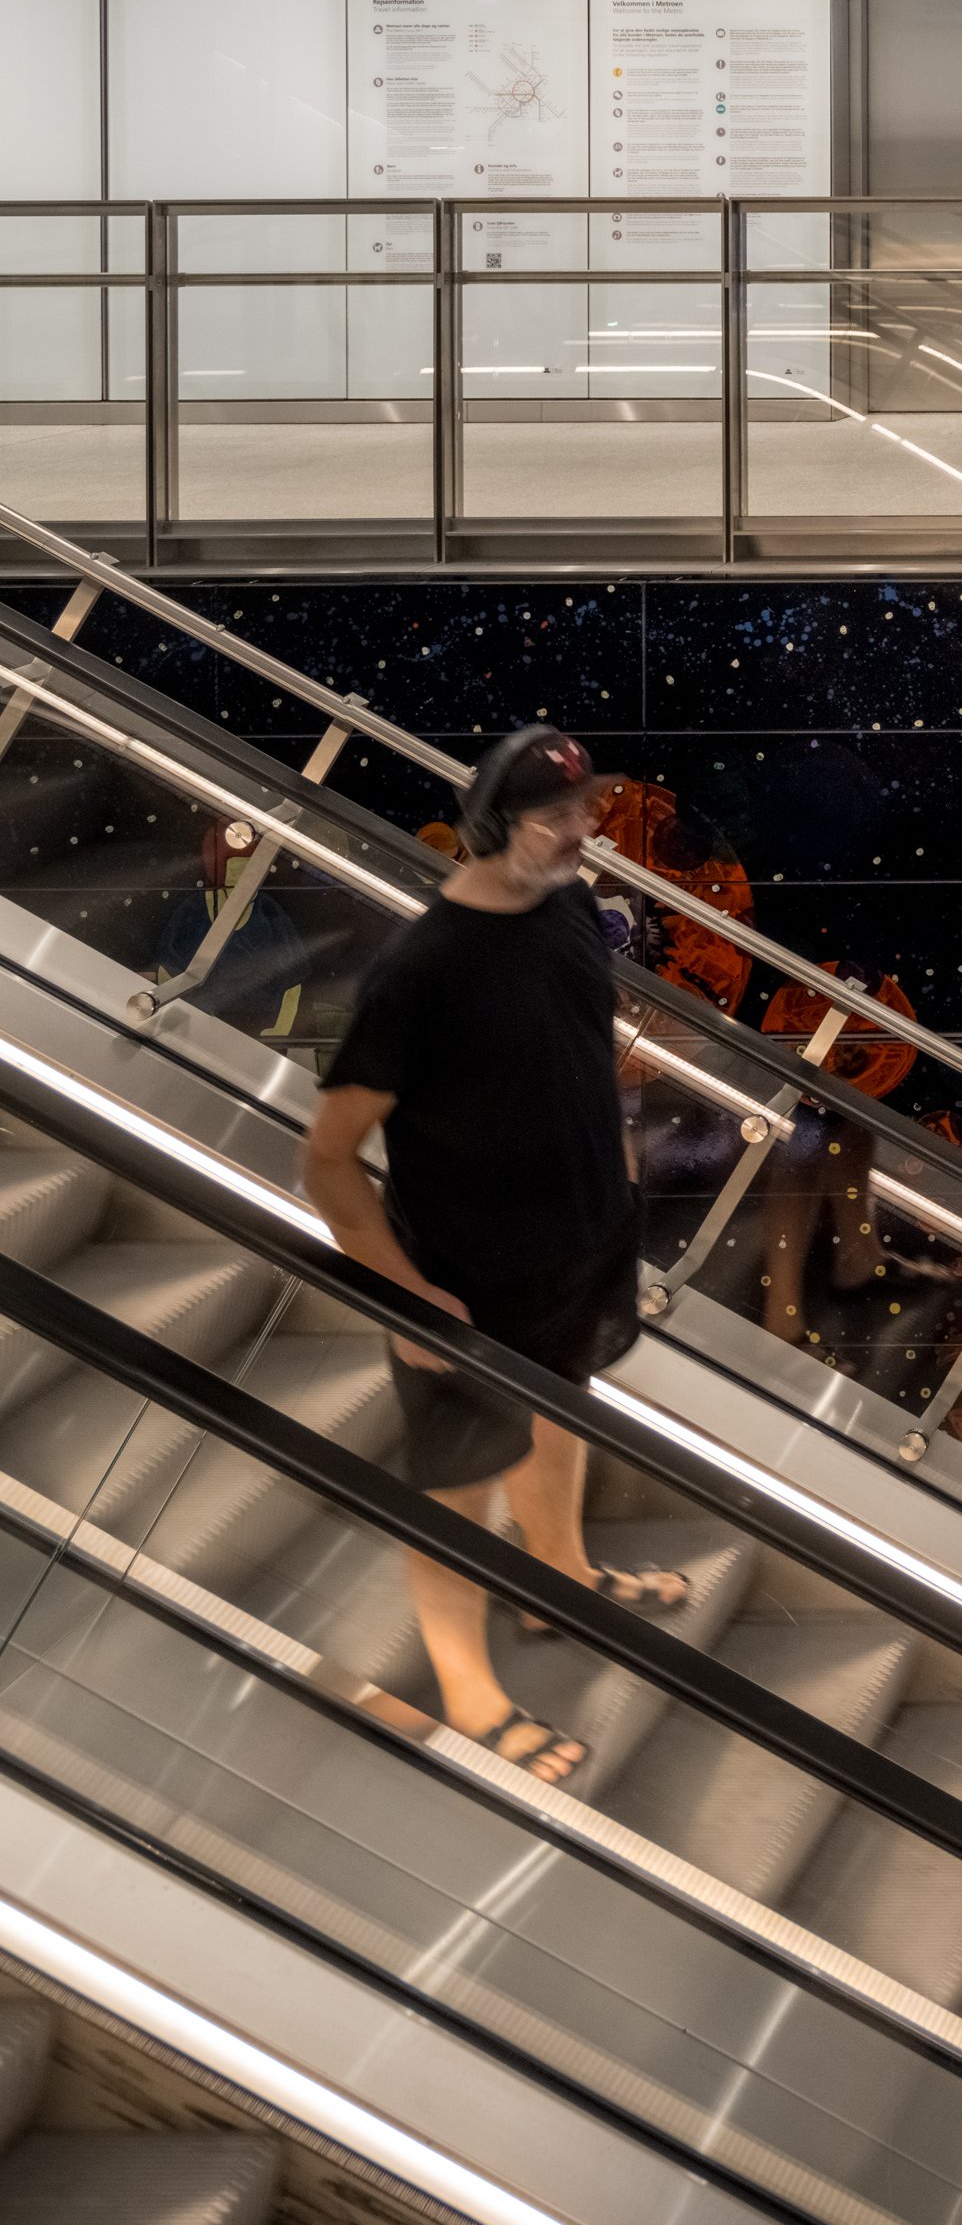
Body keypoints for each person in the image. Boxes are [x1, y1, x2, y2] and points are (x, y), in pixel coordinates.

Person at [305, 726, 683, 1791]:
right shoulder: (418, 973)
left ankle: (555, 1568)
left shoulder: (566, 910)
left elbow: (581, 1035)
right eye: (551, 818)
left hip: (580, 1239)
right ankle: (468, 1690)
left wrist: (611, 1156)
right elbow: (329, 1160)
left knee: (560, 1401)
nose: (578, 833)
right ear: (488, 825)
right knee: (460, 1481)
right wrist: (403, 1293)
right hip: (466, 1279)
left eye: (583, 811)